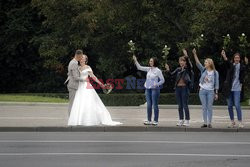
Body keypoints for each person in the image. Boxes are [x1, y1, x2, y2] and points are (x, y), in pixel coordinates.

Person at [68, 54, 122, 126]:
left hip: (86, 87)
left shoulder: (88, 67)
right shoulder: (77, 67)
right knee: (78, 103)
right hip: (79, 87)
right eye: (80, 58)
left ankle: (88, 119)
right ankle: (78, 120)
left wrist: (101, 84)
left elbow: (93, 77)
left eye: (83, 58)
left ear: (85, 60)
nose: (81, 59)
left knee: (88, 102)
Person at [133, 55, 165, 126]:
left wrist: (156, 84)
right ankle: (149, 120)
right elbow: (139, 67)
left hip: (155, 89)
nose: (150, 62)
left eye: (151, 61)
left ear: (154, 62)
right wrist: (135, 60)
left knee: (155, 105)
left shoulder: (158, 71)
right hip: (147, 89)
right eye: (150, 61)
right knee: (149, 105)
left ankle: (155, 120)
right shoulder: (148, 69)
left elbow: (163, 80)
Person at [165, 49, 194, 127]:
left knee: (185, 104)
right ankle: (181, 119)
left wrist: (186, 56)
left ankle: (187, 120)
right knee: (179, 105)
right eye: (180, 61)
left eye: (183, 61)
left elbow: (190, 65)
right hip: (178, 89)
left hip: (185, 88)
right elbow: (171, 75)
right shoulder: (178, 69)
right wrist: (168, 70)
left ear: (185, 62)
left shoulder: (187, 69)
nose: (181, 62)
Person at [221, 50, 248, 128]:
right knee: (229, 105)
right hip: (229, 88)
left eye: (238, 58)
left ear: (239, 59)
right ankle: (232, 121)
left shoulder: (242, 66)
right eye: (235, 58)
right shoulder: (231, 66)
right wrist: (224, 55)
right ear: (233, 59)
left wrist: (246, 63)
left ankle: (240, 121)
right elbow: (227, 62)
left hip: (237, 89)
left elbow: (245, 70)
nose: (236, 59)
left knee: (237, 105)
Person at [192, 48, 219, 128]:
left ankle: (210, 123)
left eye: (206, 62)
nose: (204, 63)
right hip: (202, 90)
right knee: (204, 107)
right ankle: (205, 123)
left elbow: (217, 83)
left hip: (211, 91)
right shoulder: (203, 70)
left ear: (210, 63)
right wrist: (194, 54)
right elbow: (197, 62)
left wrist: (216, 93)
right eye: (205, 62)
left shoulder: (215, 72)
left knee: (209, 107)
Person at [65, 49, 84, 115]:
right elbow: (76, 77)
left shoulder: (73, 62)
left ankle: (72, 118)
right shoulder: (74, 63)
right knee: (72, 103)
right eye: (81, 56)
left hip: (73, 85)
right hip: (73, 85)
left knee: (73, 103)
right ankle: (71, 119)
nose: (82, 58)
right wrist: (84, 79)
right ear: (78, 55)